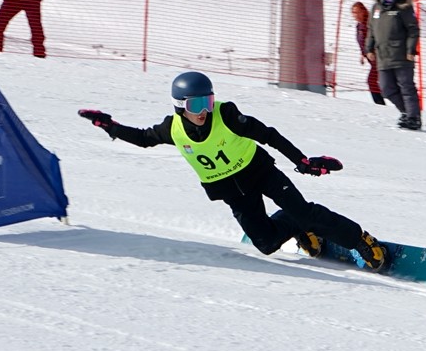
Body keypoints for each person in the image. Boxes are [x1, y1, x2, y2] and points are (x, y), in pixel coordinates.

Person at [78, 71, 388, 270]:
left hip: (260, 172)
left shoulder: (226, 114)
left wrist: (302, 160)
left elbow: (268, 134)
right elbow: (144, 138)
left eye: (208, 101)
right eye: (197, 104)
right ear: (180, 105)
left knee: (305, 211)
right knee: (266, 245)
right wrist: (111, 127)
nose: (205, 111)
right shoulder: (172, 129)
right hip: (231, 191)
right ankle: (297, 225)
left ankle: (359, 238)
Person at [364, 0, 422, 130]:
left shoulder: (403, 6)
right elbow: (371, 30)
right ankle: (406, 112)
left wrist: (411, 49)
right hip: (383, 55)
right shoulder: (376, 8)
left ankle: (413, 117)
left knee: (406, 87)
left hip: (402, 55)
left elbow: (413, 30)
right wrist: (369, 48)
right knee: (386, 88)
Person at [351, 1, 385, 105]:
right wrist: (362, 54)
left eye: (357, 12)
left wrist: (372, 51)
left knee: (373, 81)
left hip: (379, 58)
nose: (355, 15)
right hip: (372, 59)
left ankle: (381, 104)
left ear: (363, 11)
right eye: (353, 13)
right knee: (377, 82)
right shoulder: (359, 25)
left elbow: (375, 38)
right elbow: (362, 42)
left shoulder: (369, 24)